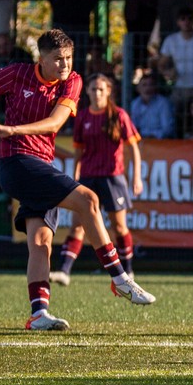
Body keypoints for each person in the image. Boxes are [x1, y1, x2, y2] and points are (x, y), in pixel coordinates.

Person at [0, 29, 154, 332]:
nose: (65, 65)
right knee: (88, 200)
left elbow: (56, 122)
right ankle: (120, 278)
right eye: (58, 59)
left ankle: (38, 313)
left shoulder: (72, 81)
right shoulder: (17, 74)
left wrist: (12, 130)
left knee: (40, 241)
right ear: (42, 59)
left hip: (39, 162)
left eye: (69, 58)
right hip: (17, 164)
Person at [51, 74, 144, 285]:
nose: (97, 93)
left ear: (109, 91)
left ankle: (128, 271)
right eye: (94, 89)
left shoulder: (119, 115)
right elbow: (78, 152)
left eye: (102, 89)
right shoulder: (82, 117)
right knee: (78, 225)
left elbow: (134, 149)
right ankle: (64, 271)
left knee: (119, 226)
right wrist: (74, 174)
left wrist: (136, 177)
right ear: (87, 92)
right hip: (88, 178)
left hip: (113, 178)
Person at [158, 9, 193, 107]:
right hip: (179, 87)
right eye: (183, 19)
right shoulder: (171, 40)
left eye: (189, 18)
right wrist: (168, 73)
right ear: (178, 22)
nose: (186, 22)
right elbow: (161, 64)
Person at [130, 74, 175, 139]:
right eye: (144, 85)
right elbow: (133, 126)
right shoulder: (134, 104)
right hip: (139, 140)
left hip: (160, 142)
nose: (148, 88)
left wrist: (152, 136)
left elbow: (167, 129)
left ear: (155, 88)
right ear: (138, 89)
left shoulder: (163, 103)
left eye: (151, 85)